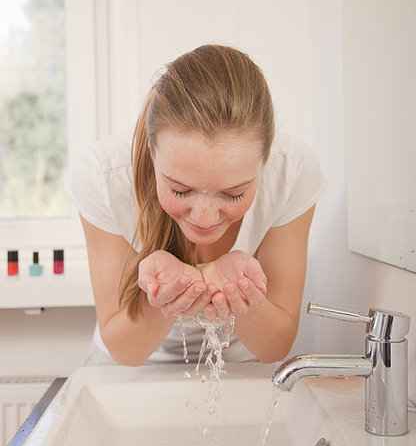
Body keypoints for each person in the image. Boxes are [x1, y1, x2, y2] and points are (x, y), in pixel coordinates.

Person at [68, 44, 327, 367]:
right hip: (129, 372)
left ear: (266, 161)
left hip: (239, 366)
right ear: (152, 151)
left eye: (233, 194)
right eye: (179, 190)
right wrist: (163, 299)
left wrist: (238, 294)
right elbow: (125, 351)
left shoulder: (293, 171)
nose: (204, 217)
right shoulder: (102, 176)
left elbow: (275, 346)